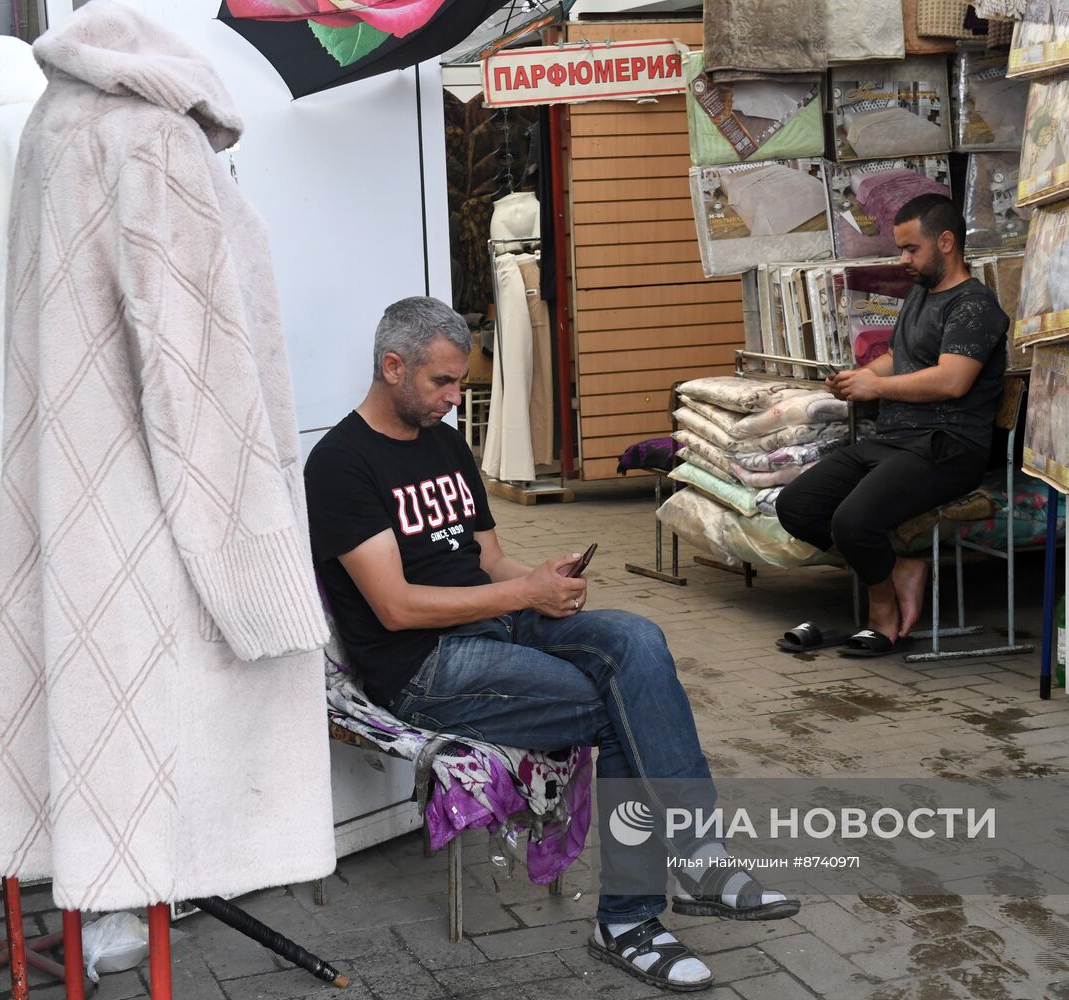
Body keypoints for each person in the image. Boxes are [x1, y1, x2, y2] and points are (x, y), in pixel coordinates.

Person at [304, 297, 798, 993]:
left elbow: (490, 562)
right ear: (393, 367)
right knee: (623, 709)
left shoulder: (444, 444)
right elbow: (395, 607)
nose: (454, 398)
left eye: (459, 384)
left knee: (638, 640)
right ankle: (635, 914)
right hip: (423, 665)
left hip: (496, 623)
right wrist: (520, 595)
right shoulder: (340, 465)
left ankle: (689, 864)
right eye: (442, 383)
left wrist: (544, 581)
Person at [776, 193, 1009, 657]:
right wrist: (861, 377)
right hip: (894, 439)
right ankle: (900, 566)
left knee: (853, 522)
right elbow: (896, 359)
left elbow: (952, 381)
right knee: (797, 506)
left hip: (947, 446)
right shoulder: (921, 293)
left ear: (946, 241)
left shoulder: (974, 306)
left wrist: (877, 390)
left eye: (911, 249)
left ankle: (880, 612)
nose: (903, 259)